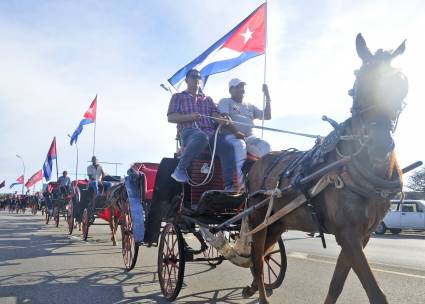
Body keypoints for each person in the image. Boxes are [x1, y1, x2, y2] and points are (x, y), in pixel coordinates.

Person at [167, 69, 236, 191]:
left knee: (228, 146)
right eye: (193, 77)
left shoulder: (207, 99)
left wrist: (223, 119)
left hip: (210, 134)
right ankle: (180, 169)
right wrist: (190, 117)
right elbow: (171, 117)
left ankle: (229, 186)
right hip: (188, 133)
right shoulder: (178, 97)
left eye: (199, 77)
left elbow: (215, 115)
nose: (196, 79)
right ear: (186, 80)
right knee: (200, 137)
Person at [218, 78, 272, 188]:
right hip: (231, 136)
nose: (241, 89)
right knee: (240, 145)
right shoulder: (225, 101)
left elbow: (267, 116)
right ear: (230, 90)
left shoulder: (250, 106)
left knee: (266, 146)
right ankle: (241, 185)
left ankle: (261, 180)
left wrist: (267, 96)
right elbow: (225, 118)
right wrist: (236, 132)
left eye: (242, 86)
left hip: (250, 138)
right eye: (238, 87)